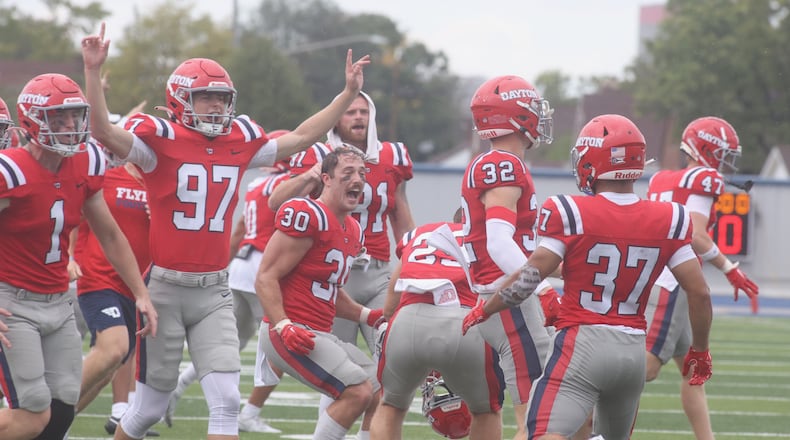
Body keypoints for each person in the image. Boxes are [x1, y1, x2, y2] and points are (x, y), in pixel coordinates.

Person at [81, 22, 369, 440]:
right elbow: (103, 131)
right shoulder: (158, 139)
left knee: (227, 401)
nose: (216, 106)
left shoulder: (239, 139)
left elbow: (304, 135)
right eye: (206, 97)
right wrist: (92, 72)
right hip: (164, 287)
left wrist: (346, 94)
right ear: (180, 100)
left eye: (221, 97)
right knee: (147, 408)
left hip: (214, 290)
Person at [462, 114, 714, 440]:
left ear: (592, 160)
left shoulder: (571, 211)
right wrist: (700, 351)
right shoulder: (670, 217)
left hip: (582, 344)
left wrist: (486, 308)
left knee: (542, 433)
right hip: (632, 352)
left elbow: (529, 277)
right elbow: (700, 292)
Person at [0, 73, 157, 440]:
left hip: (56, 302)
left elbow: (111, 234)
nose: (70, 125)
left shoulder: (85, 164)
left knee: (62, 409)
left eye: (74, 116)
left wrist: (140, 292)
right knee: (31, 413)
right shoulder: (11, 169)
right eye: (58, 118)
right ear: (33, 121)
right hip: (13, 302)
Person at [165, 130, 293, 433]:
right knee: (283, 346)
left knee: (229, 345)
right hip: (264, 270)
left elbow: (238, 230)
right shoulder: (291, 183)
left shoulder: (257, 184)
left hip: (240, 268)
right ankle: (250, 412)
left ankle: (178, 386)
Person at [256, 147, 384, 440]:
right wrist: (283, 324)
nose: (357, 179)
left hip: (321, 332)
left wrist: (368, 315)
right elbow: (265, 277)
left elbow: (328, 289)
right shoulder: (306, 213)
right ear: (326, 179)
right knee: (357, 391)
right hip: (290, 331)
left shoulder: (352, 228)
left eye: (362, 174)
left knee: (380, 385)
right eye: (348, 173)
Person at [644, 116, 759, 440]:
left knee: (693, 372)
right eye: (723, 154)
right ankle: (588, 418)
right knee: (646, 369)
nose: (725, 164)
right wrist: (729, 268)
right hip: (673, 282)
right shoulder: (704, 178)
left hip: (656, 275)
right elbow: (695, 234)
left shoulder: (664, 179)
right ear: (707, 150)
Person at [459, 75, 556, 439]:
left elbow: (516, 245)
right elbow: (499, 243)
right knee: (536, 419)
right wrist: (543, 289)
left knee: (541, 414)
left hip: (504, 295)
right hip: (510, 299)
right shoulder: (503, 165)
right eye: (533, 108)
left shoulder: (498, 163)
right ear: (517, 115)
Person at [370, 219, 504, 440]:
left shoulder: (422, 233)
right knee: (485, 412)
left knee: (390, 407)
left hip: (408, 320)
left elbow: (390, 306)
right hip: (465, 322)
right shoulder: (493, 236)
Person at [68, 158, 160, 437]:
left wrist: (162, 219)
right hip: (98, 277)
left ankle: (55, 425)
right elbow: (73, 215)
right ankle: (48, 413)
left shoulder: (164, 185)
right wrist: (69, 257)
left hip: (137, 287)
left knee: (109, 368)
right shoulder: (106, 177)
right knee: (113, 349)